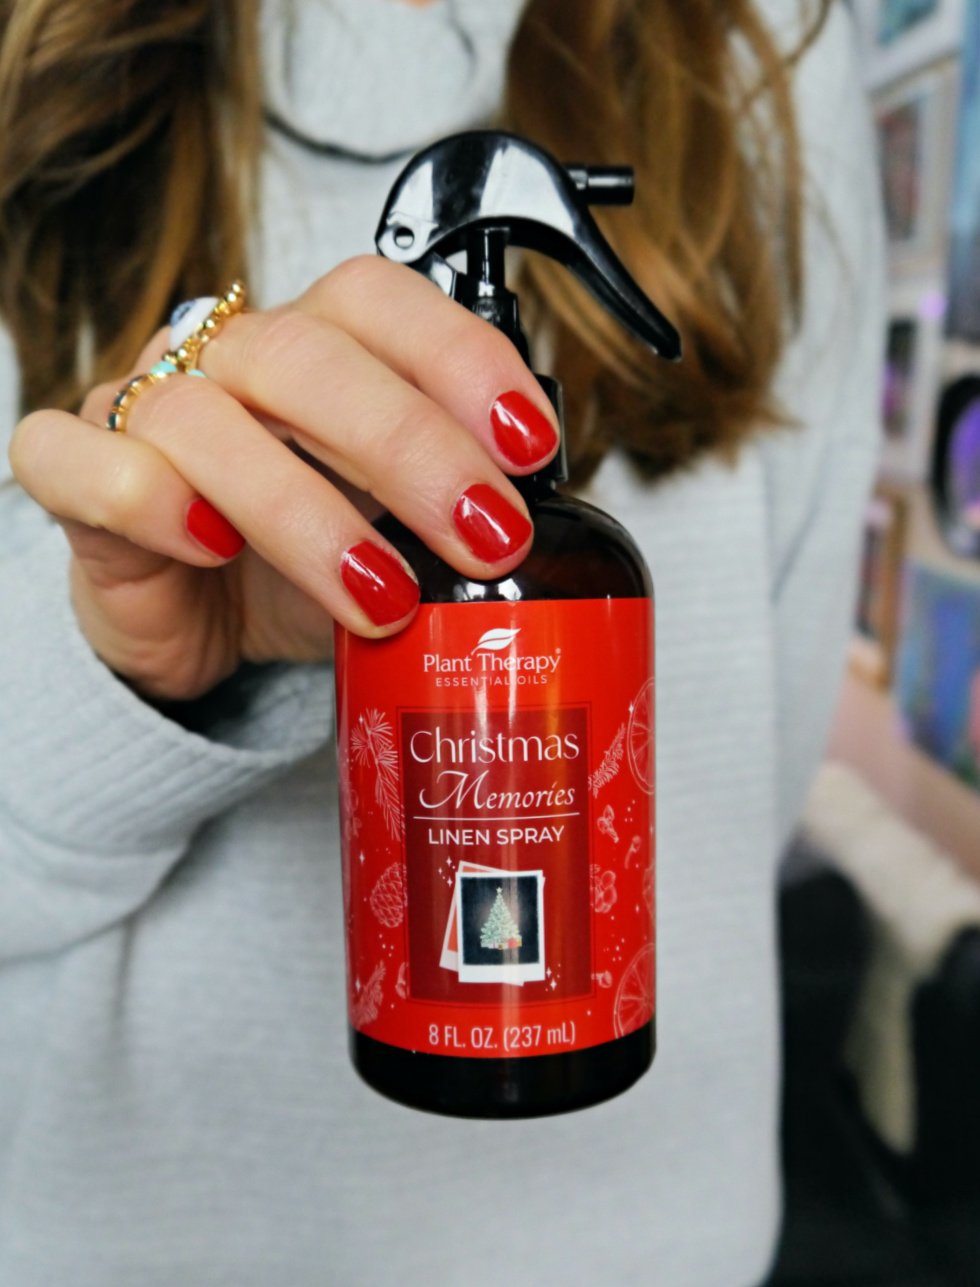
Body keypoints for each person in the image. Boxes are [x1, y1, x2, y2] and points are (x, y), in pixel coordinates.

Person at [0, 1, 883, 1283]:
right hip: (145, 1238)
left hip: (641, 1235)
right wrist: (117, 664)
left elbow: (753, 782)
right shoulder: (38, 67)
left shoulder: (769, 47)